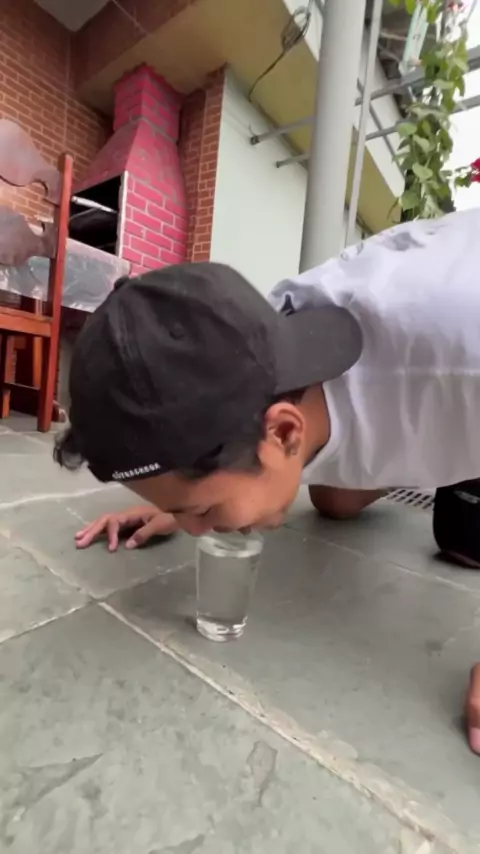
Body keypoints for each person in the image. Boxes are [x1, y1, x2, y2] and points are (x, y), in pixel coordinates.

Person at [55, 208, 480, 754]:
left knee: (464, 538)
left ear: (283, 431)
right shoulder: (254, 341)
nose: (195, 529)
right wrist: (177, 499)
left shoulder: (459, 360)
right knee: (334, 501)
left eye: (201, 512)